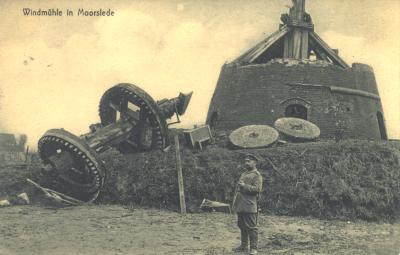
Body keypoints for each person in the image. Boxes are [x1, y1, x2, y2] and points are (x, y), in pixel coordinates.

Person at [232, 153, 263, 255]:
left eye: (248, 161)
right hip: (241, 204)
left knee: (251, 227)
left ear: (255, 162)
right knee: (241, 225)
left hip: (249, 204)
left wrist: (244, 186)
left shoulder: (257, 175)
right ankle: (244, 246)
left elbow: (257, 189)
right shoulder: (244, 173)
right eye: (245, 161)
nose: (246, 163)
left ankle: (254, 248)